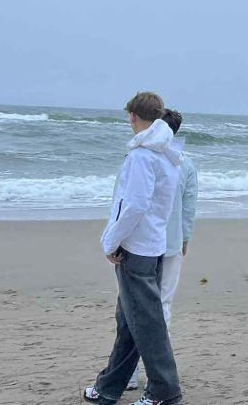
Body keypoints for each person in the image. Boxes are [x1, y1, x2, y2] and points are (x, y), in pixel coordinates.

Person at [84, 92, 184, 405]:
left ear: (133, 116)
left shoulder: (143, 156)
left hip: (136, 248)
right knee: (130, 321)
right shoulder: (167, 154)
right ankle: (108, 387)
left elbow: (134, 205)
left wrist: (110, 241)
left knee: (145, 324)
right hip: (152, 246)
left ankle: (164, 390)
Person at [127, 109, 199, 392]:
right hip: (170, 242)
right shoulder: (184, 163)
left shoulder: (143, 158)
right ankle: (159, 371)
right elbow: (189, 205)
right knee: (162, 306)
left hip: (142, 244)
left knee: (134, 308)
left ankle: (131, 373)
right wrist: (185, 237)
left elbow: (130, 202)